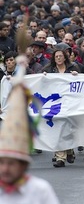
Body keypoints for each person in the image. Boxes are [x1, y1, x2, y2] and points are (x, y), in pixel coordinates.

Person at [0, 52, 60, 203]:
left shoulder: (40, 190)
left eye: (12, 163)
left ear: (23, 165)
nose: (6, 169)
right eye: (2, 163)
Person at [43, 49, 80, 167]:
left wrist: (76, 76)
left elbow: (82, 83)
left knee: (68, 127)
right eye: (56, 56)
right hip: (55, 103)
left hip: (70, 102)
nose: (58, 58)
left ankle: (69, 150)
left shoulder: (73, 68)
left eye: (61, 56)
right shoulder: (48, 70)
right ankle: (60, 157)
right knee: (57, 128)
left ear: (65, 58)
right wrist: (42, 77)